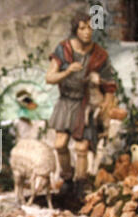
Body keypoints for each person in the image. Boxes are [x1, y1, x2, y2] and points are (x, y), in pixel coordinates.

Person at [45, 11, 117, 197]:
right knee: (60, 144)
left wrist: (106, 107)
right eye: (83, 28)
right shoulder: (64, 49)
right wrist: (68, 71)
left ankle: (81, 182)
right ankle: (67, 179)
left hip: (86, 105)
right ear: (75, 29)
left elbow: (109, 84)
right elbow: (50, 78)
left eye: (90, 27)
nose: (87, 32)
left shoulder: (99, 54)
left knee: (82, 147)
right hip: (67, 101)